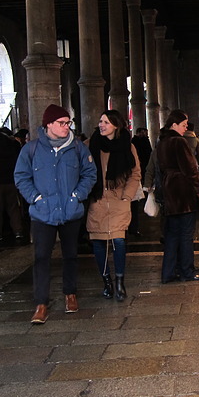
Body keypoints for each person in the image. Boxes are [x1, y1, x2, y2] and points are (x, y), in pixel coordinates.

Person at [14, 104, 97, 324]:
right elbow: (21, 176)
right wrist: (35, 198)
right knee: (41, 257)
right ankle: (41, 303)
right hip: (43, 212)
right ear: (48, 124)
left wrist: (77, 195)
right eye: (61, 123)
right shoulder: (31, 149)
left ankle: (70, 293)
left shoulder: (78, 148)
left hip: (70, 210)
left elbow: (90, 173)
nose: (66, 127)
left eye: (67, 123)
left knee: (70, 254)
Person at [86, 110, 141, 302]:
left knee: (118, 241)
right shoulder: (90, 145)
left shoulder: (128, 146)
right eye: (100, 121)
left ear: (116, 125)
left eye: (106, 122)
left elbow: (135, 174)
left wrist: (126, 197)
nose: (101, 125)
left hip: (118, 200)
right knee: (99, 242)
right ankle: (106, 281)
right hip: (98, 200)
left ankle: (119, 282)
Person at [157, 109, 199, 284]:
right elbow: (191, 169)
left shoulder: (162, 141)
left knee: (171, 234)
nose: (186, 128)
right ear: (174, 124)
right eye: (184, 125)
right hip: (183, 193)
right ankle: (187, 270)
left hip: (170, 191)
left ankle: (168, 272)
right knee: (186, 234)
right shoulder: (179, 142)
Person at [129, 127, 153, 236]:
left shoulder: (136, 143)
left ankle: (132, 228)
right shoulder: (133, 144)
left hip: (140, 169)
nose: (145, 134)